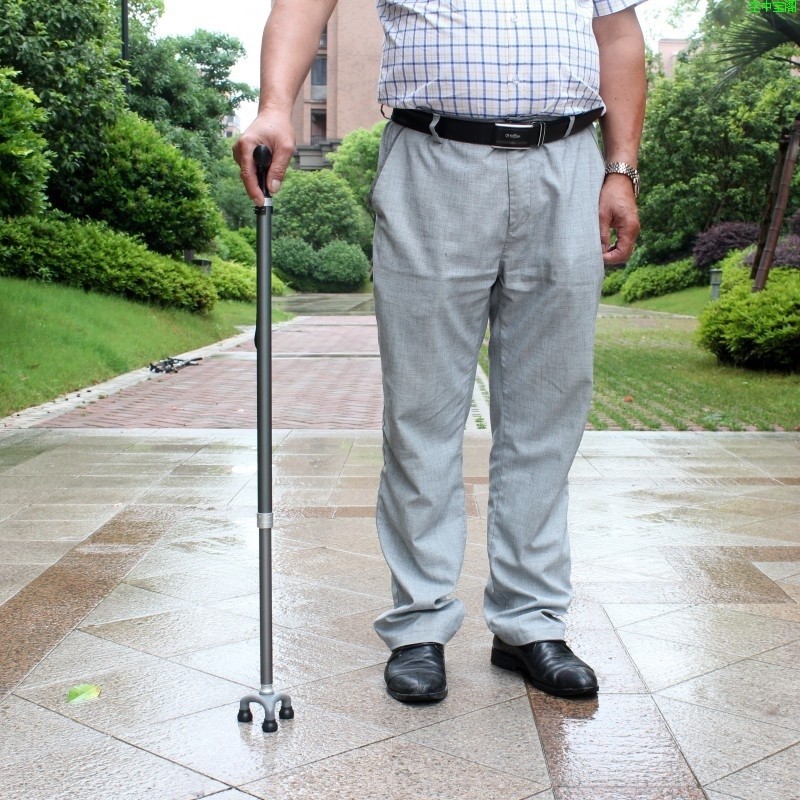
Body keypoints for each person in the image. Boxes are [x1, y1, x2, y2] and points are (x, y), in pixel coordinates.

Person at [235, 0, 646, 704]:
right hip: (432, 158)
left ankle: (530, 622)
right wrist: (276, 105)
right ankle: (420, 625)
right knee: (422, 411)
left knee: (548, 410)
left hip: (569, 162)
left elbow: (619, 36)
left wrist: (622, 168)